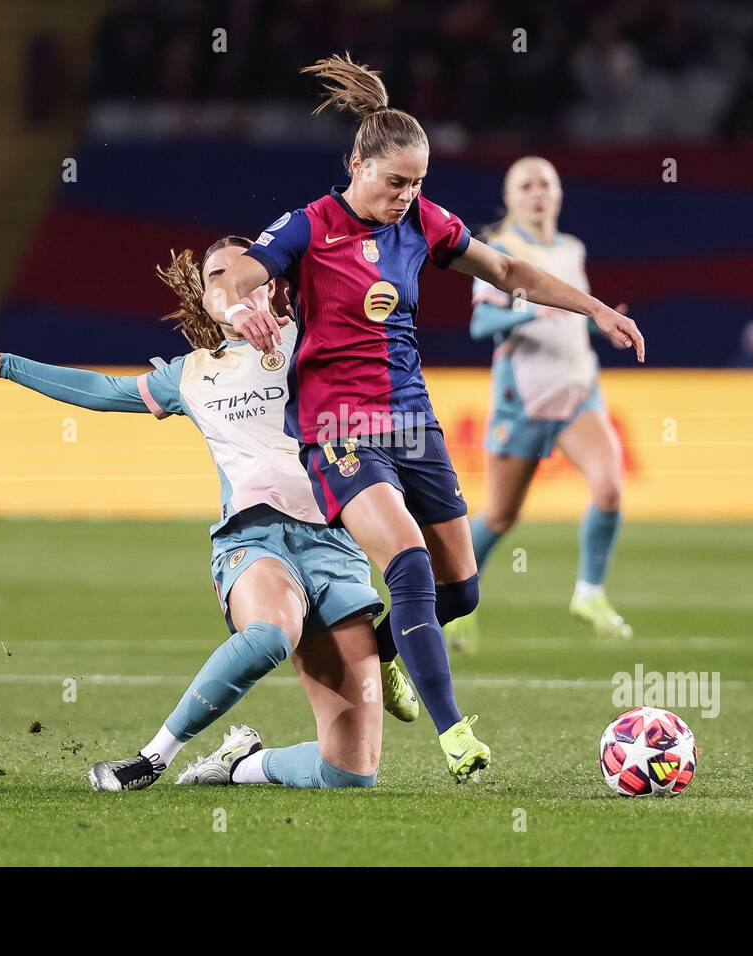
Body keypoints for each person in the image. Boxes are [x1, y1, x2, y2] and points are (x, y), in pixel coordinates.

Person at [201, 53, 645, 779]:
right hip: (336, 430)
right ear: (357, 165)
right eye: (395, 181)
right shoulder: (309, 227)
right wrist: (237, 305)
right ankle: (453, 733)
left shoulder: (427, 225)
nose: (408, 195)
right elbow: (235, 273)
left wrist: (594, 309)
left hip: (412, 423)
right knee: (406, 560)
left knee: (461, 589)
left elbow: (507, 272)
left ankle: (388, 649)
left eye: (418, 183)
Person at [0, 237, 420, 791]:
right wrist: (6, 366)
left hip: (337, 545)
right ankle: (153, 758)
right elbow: (103, 390)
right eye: (215, 274)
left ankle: (239, 764)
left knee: (349, 774)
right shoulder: (191, 374)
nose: (228, 280)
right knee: (271, 632)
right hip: (255, 539)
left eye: (244, 269)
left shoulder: (318, 341)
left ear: (274, 280)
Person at [447, 156, 634, 652]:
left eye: (545, 185)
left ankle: (589, 594)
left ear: (558, 194)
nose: (537, 193)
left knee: (609, 488)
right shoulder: (499, 252)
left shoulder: (572, 249)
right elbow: (482, 326)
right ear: (510, 199)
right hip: (523, 400)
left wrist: (603, 323)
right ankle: (454, 602)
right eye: (525, 186)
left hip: (578, 393)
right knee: (501, 516)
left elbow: (577, 317)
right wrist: (531, 308)